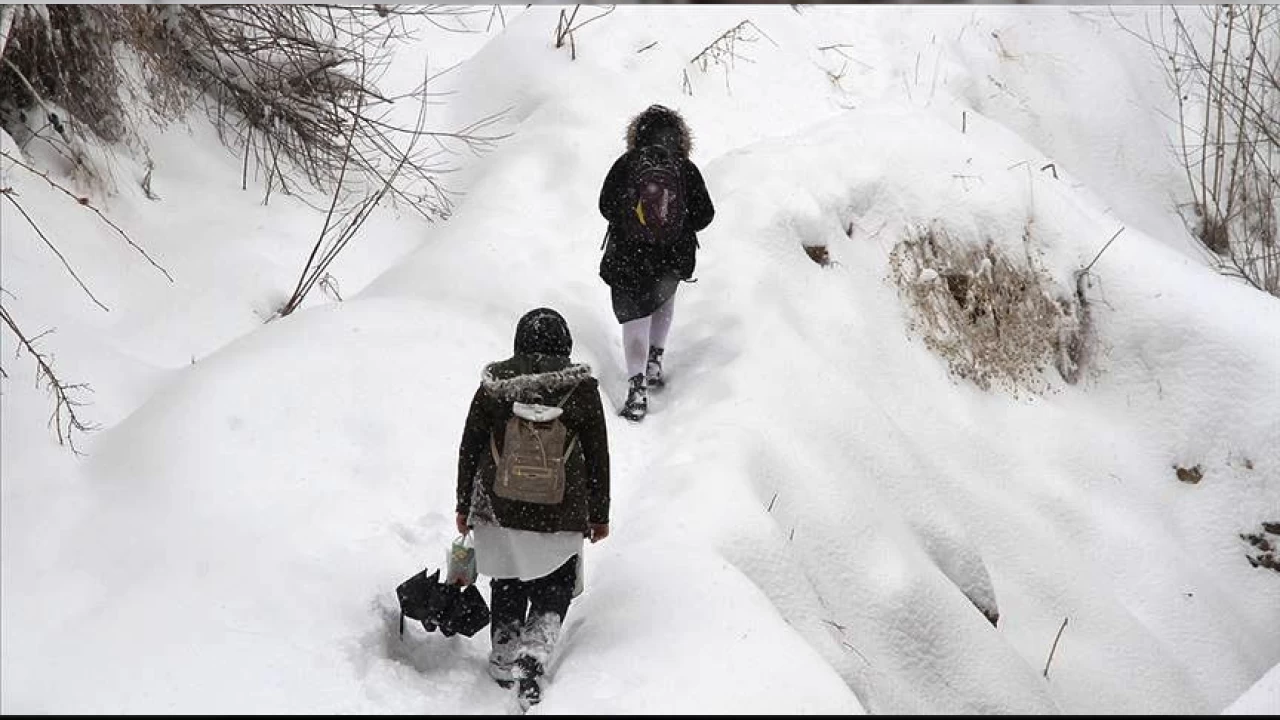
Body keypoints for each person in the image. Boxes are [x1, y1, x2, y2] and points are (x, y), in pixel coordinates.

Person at [455, 308, 611, 710]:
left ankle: (505, 649)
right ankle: (536, 649)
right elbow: (597, 456)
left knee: (507, 576)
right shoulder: (582, 390)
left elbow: (470, 446)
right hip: (561, 508)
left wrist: (462, 504)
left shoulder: (495, 387)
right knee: (555, 580)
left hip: (498, 505)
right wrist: (599, 514)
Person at [598, 104, 715, 421]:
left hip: (627, 258)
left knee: (634, 318)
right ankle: (655, 361)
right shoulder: (684, 168)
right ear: (680, 137)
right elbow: (705, 215)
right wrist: (675, 225)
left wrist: (632, 221)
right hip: (670, 258)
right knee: (662, 298)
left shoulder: (626, 164)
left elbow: (605, 206)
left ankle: (636, 388)